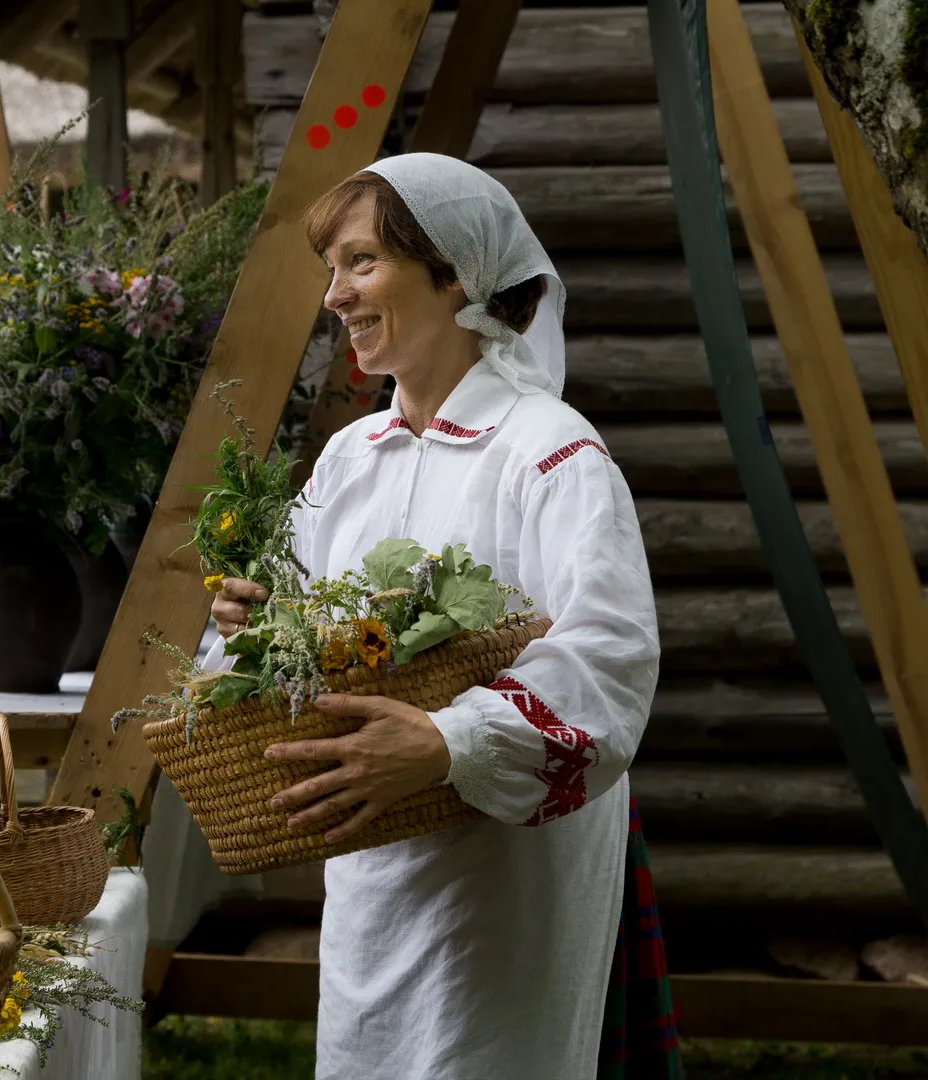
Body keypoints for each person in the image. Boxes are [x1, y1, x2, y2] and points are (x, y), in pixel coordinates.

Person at [209, 155, 672, 1078]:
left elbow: (609, 656)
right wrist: (252, 624)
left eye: (362, 262)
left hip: (504, 878)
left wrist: (448, 742)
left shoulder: (551, 453)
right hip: (375, 872)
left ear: (455, 272)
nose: (336, 295)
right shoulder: (351, 458)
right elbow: (305, 644)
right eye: (332, 269)